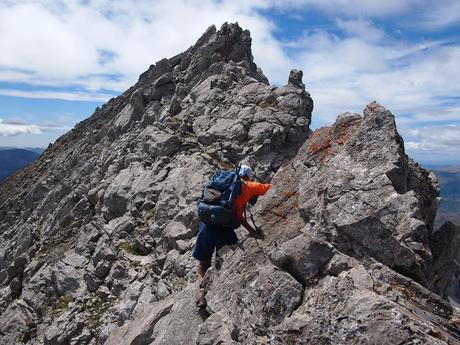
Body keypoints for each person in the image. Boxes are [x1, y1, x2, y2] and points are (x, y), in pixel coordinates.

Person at [192, 165, 272, 308]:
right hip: (226, 232)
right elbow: (268, 188)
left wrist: (248, 228)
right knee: (223, 265)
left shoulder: (220, 185)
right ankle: (222, 299)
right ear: (247, 176)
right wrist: (251, 230)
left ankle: (201, 294)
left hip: (206, 227)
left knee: (203, 264)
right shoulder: (249, 187)